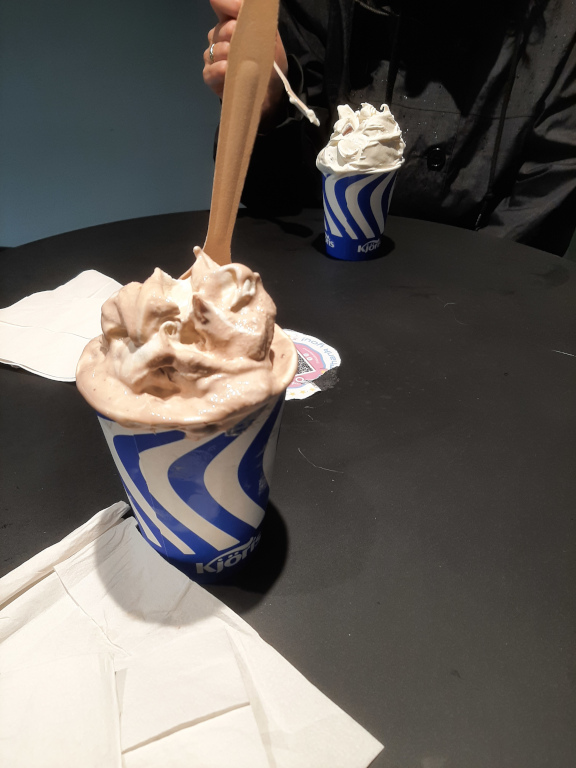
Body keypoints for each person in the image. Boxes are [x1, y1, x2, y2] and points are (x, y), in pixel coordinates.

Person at [203, 0, 576, 256]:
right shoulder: (314, 9)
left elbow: (537, 226)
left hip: (478, 302)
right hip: (321, 285)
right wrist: (266, 108)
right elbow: (276, 201)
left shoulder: (563, 28)